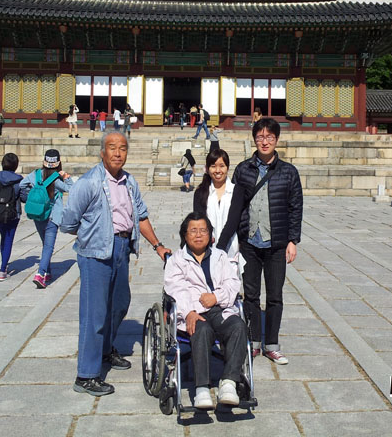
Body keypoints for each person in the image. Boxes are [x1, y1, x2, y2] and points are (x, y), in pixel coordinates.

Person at [61, 130, 171, 397]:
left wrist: (158, 246)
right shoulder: (88, 182)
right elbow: (68, 222)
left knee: (120, 302)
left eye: (122, 148)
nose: (118, 152)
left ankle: (105, 350)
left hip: (122, 247)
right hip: (95, 254)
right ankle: (86, 375)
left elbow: (141, 217)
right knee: (94, 313)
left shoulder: (129, 182)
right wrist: (93, 235)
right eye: (112, 147)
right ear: (102, 152)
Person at [232, 118, 302, 365]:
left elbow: (295, 208)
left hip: (276, 244)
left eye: (269, 137)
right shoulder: (242, 170)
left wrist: (293, 241)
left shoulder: (289, 172)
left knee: (275, 296)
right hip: (249, 242)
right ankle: (253, 342)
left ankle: (272, 344)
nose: (264, 141)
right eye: (260, 137)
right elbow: (235, 206)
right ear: (254, 139)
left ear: (276, 140)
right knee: (250, 295)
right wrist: (233, 239)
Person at [164, 212, 247, 409]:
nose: (199, 235)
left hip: (220, 309)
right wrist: (189, 311)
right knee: (201, 330)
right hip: (193, 313)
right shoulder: (176, 260)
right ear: (185, 235)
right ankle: (202, 388)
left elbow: (233, 283)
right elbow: (175, 289)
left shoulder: (221, 257)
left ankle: (228, 383)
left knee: (238, 326)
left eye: (203, 230)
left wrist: (216, 297)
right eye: (193, 231)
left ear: (211, 235)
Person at [19, 149, 74, 289]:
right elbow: (71, 188)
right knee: (49, 246)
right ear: (58, 163)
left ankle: (47, 271)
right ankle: (40, 274)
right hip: (52, 216)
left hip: (38, 215)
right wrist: (66, 176)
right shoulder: (56, 179)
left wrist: (32, 195)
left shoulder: (35, 174)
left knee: (45, 244)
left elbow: (22, 185)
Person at [193, 149, 246, 269]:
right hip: (206, 251)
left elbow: (233, 221)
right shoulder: (200, 192)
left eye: (222, 166)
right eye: (213, 166)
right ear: (207, 169)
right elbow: (200, 221)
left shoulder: (236, 191)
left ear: (227, 167)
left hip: (230, 250)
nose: (217, 170)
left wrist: (219, 248)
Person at [0, 152, 22, 280]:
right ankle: (3, 269)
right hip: (13, 213)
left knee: (3, 237)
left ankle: (4, 264)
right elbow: (23, 197)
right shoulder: (18, 180)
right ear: (16, 166)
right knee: (8, 239)